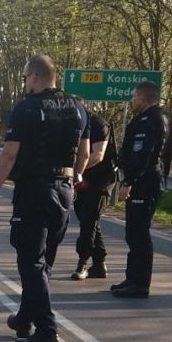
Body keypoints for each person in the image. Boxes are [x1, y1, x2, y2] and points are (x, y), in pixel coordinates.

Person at [0, 55, 90, 342]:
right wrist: (74, 178)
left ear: (34, 77)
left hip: (35, 190)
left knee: (31, 262)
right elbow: (85, 152)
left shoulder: (26, 108)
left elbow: (9, 155)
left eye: (26, 77)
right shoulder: (78, 108)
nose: (25, 83)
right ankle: (25, 318)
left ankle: (46, 331)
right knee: (43, 262)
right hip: (64, 190)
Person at [111, 80, 171, 298]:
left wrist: (129, 182)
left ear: (143, 98)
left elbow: (142, 155)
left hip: (145, 183)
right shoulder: (154, 118)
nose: (131, 100)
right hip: (148, 181)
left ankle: (140, 284)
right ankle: (132, 278)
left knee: (139, 233)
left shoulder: (151, 120)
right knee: (133, 232)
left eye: (134, 97)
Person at [71, 109, 116, 280]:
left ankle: (82, 262)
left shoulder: (98, 124)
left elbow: (98, 154)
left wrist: (75, 171)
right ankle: (99, 264)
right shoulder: (75, 123)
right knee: (88, 220)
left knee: (89, 221)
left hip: (100, 180)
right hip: (83, 178)